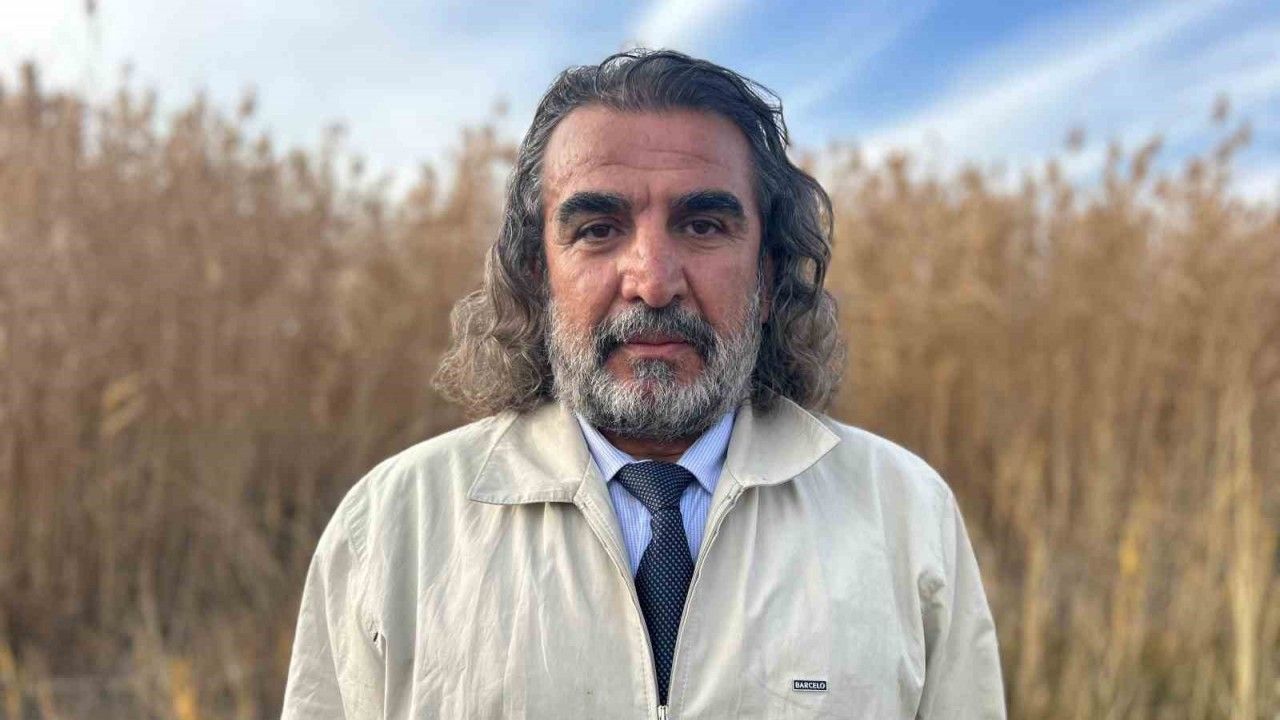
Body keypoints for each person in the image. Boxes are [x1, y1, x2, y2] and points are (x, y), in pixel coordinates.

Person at [281, 49, 1006, 719]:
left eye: (703, 225)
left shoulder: (903, 519)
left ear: (767, 271)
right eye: (598, 229)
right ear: (537, 274)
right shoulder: (394, 530)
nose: (653, 282)